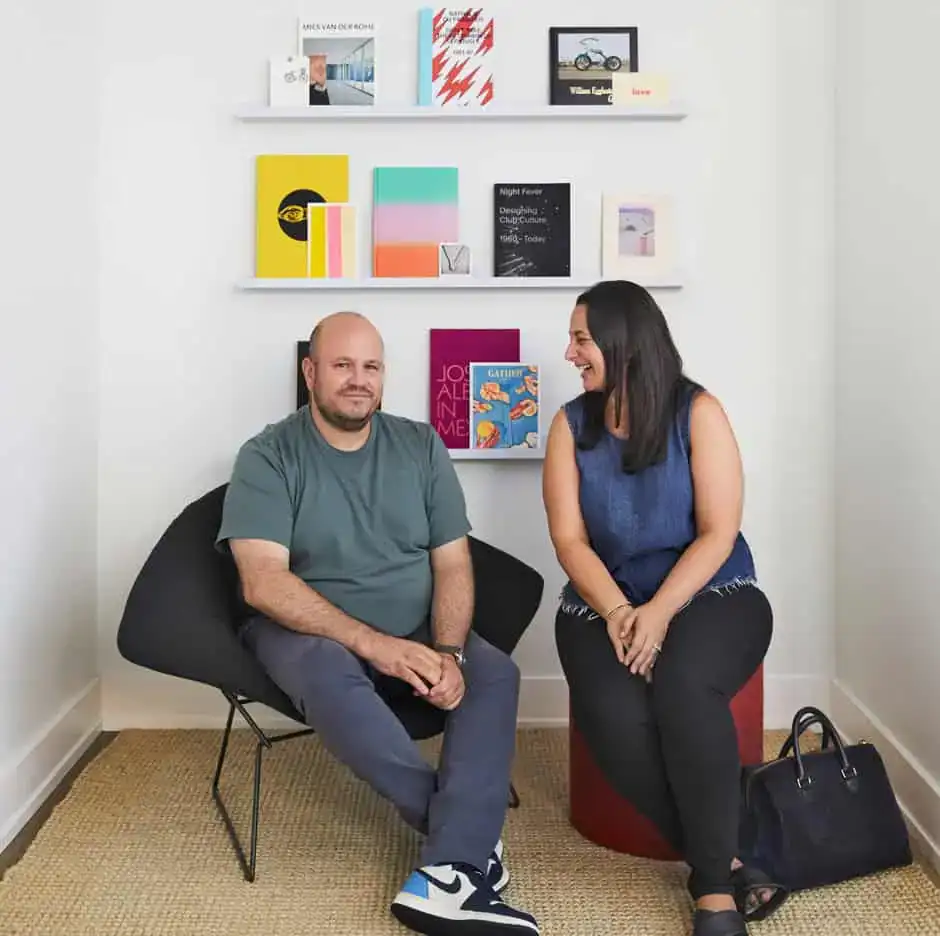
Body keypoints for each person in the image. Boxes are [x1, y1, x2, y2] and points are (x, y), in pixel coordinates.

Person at [216, 312, 539, 936]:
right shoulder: (268, 456)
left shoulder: (419, 446)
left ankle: (448, 870)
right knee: (328, 665)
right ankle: (463, 845)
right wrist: (372, 643)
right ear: (310, 372)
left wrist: (447, 651)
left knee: (492, 673)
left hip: (416, 627)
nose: (358, 380)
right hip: (307, 631)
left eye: (371, 367)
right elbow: (262, 581)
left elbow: (453, 563)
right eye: (342, 365)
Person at [541, 281, 787, 936]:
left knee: (681, 688)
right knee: (614, 718)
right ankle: (731, 854)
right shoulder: (570, 426)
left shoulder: (697, 412)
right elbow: (568, 539)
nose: (570, 352)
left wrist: (658, 614)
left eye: (581, 338)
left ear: (622, 342)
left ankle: (712, 891)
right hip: (603, 603)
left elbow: (719, 532)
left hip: (713, 592)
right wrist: (624, 611)